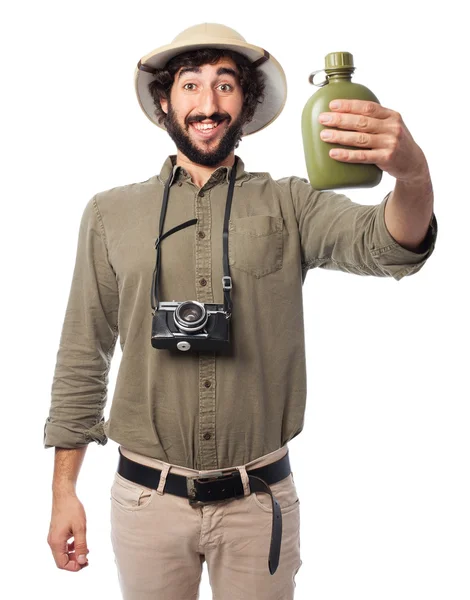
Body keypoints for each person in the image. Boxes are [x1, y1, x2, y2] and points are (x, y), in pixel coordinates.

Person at [44, 22, 438, 600]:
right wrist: (62, 492)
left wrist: (414, 172)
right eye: (190, 86)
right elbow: (83, 352)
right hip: (146, 501)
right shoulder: (110, 213)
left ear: (246, 104)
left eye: (226, 86)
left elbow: (390, 243)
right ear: (164, 100)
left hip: (260, 504)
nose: (208, 104)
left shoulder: (290, 202)